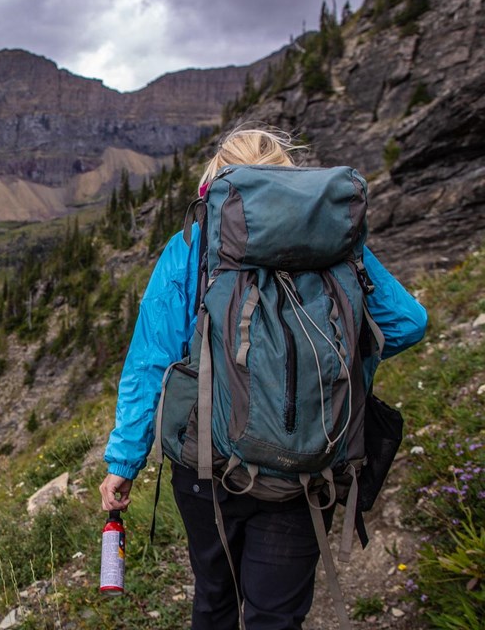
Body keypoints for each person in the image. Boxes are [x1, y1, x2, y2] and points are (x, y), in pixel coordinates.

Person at [99, 126, 428, 630]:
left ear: (219, 179)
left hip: (207, 465)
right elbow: (408, 323)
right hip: (305, 466)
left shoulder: (195, 243)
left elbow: (151, 361)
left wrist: (125, 460)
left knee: (214, 601)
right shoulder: (335, 246)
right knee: (276, 617)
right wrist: (337, 369)